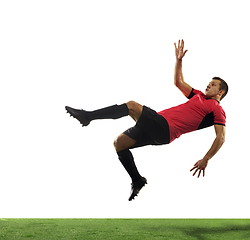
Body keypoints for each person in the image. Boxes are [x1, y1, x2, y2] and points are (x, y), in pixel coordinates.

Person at [65, 40, 228, 201]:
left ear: (220, 92)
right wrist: (179, 61)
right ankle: (137, 180)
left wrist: (206, 158)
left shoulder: (216, 109)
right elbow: (178, 82)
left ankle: (87, 116)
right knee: (119, 143)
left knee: (132, 106)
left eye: (212, 85)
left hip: (165, 128)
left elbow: (220, 137)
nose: (208, 85)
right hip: (159, 130)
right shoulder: (198, 96)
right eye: (208, 83)